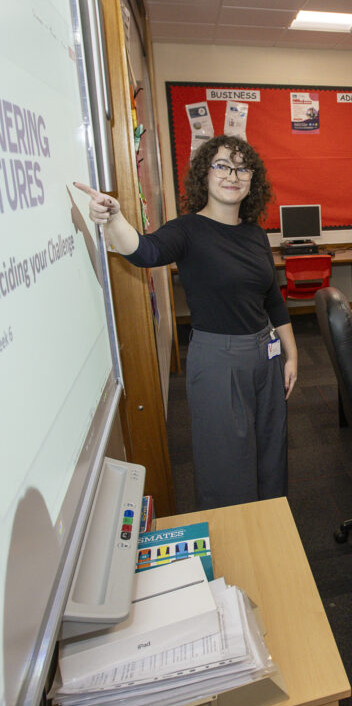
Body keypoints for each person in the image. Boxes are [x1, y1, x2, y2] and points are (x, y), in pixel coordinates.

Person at [77, 134, 298, 510]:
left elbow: (273, 299)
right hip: (218, 363)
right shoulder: (187, 230)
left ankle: (270, 532)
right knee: (226, 464)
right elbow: (145, 251)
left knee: (270, 455)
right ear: (205, 175)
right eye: (223, 166)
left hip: (266, 355)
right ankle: (234, 544)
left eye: (242, 168)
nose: (233, 175)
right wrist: (113, 218)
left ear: (252, 180)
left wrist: (291, 355)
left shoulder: (255, 233)